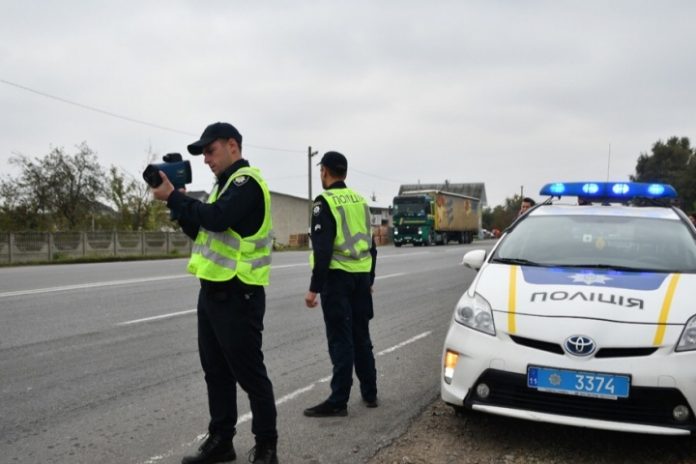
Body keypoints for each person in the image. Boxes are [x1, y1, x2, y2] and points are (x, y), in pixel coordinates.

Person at [151, 122, 279, 464]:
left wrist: (177, 196)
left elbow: (219, 219)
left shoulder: (245, 182)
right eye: (203, 153)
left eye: (211, 150)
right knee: (216, 373)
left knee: (250, 374)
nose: (206, 159)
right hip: (212, 292)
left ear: (232, 146)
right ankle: (222, 441)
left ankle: (267, 447)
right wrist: (175, 201)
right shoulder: (222, 187)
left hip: (240, 293)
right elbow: (202, 229)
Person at [303, 151, 378, 417]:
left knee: (340, 340)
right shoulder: (359, 201)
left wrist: (314, 288)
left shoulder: (324, 202)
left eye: (321, 170)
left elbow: (322, 250)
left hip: (337, 279)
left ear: (324, 171)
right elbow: (372, 246)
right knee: (362, 337)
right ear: (344, 172)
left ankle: (338, 401)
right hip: (360, 277)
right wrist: (369, 278)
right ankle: (370, 393)